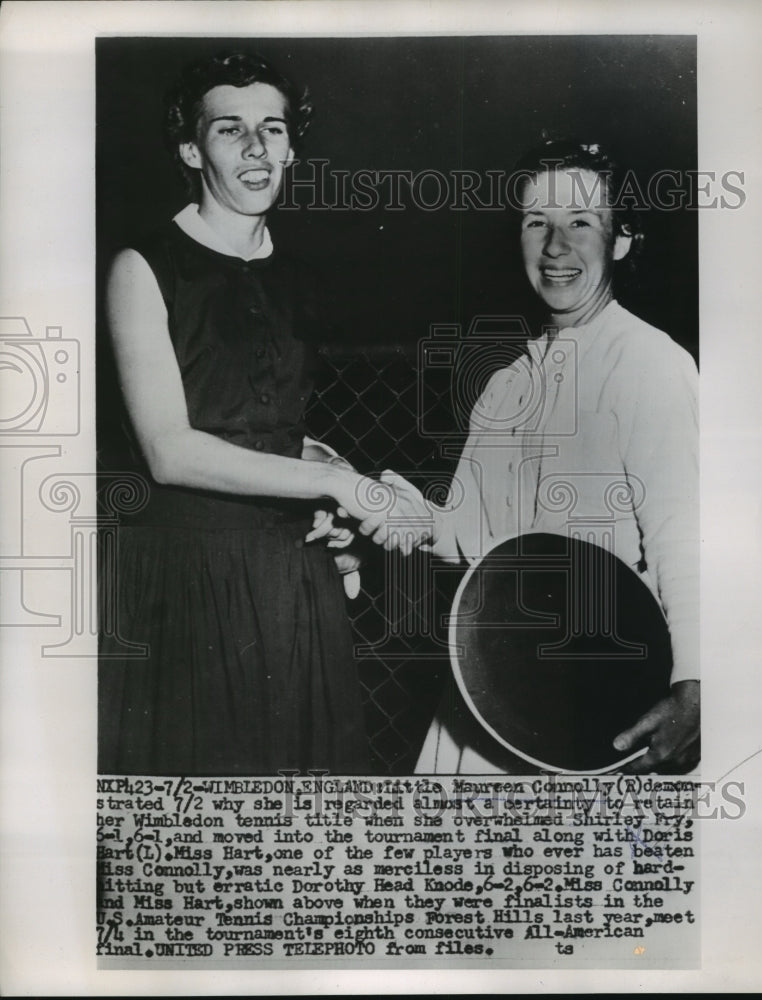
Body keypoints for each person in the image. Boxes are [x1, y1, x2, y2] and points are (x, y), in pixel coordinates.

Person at [97, 52, 420, 776]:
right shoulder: (142, 266)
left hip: (292, 580)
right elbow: (171, 449)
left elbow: (267, 425)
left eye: (271, 129)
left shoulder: (297, 279)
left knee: (304, 830)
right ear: (191, 149)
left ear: (291, 148)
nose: (255, 148)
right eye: (229, 130)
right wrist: (335, 486)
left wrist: (336, 475)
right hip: (187, 581)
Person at [362, 139, 700, 775]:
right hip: (495, 687)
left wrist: (697, 686)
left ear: (621, 240)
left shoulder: (650, 364)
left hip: (600, 700)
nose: (555, 246)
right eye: (536, 223)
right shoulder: (508, 380)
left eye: (580, 223)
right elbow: (466, 538)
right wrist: (387, 506)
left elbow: (686, 540)